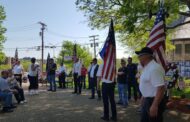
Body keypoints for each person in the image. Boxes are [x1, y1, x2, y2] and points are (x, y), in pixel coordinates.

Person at [135, 47, 166, 122]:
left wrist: (155, 105)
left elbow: (161, 88)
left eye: (140, 55)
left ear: (147, 56)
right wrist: (144, 96)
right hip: (148, 100)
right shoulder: (147, 67)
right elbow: (148, 84)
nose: (138, 57)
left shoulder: (154, 68)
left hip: (153, 101)